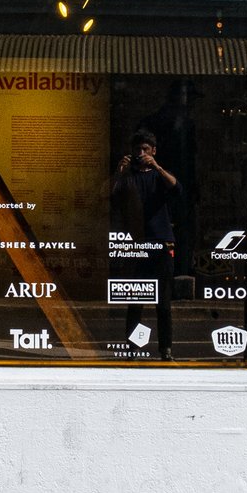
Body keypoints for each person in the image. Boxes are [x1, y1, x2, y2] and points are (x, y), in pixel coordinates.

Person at [109, 129, 178, 359]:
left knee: (163, 301)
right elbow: (105, 195)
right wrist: (119, 173)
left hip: (161, 241)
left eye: (145, 149)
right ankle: (132, 347)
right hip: (137, 243)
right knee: (136, 300)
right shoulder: (128, 176)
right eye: (137, 149)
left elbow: (177, 188)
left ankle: (165, 349)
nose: (140, 153)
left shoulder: (159, 175)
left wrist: (156, 166)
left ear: (153, 151)